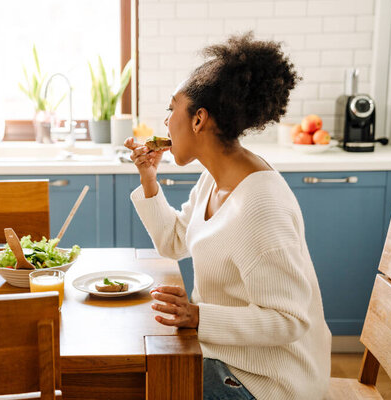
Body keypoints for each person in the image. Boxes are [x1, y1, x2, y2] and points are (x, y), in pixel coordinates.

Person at [124, 33, 331, 400]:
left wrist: (198, 316)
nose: (167, 121)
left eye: (172, 109)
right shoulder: (214, 178)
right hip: (224, 358)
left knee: (141, 385)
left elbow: (290, 320)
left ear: (199, 120)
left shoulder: (260, 207)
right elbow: (174, 242)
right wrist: (149, 179)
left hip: (268, 383)